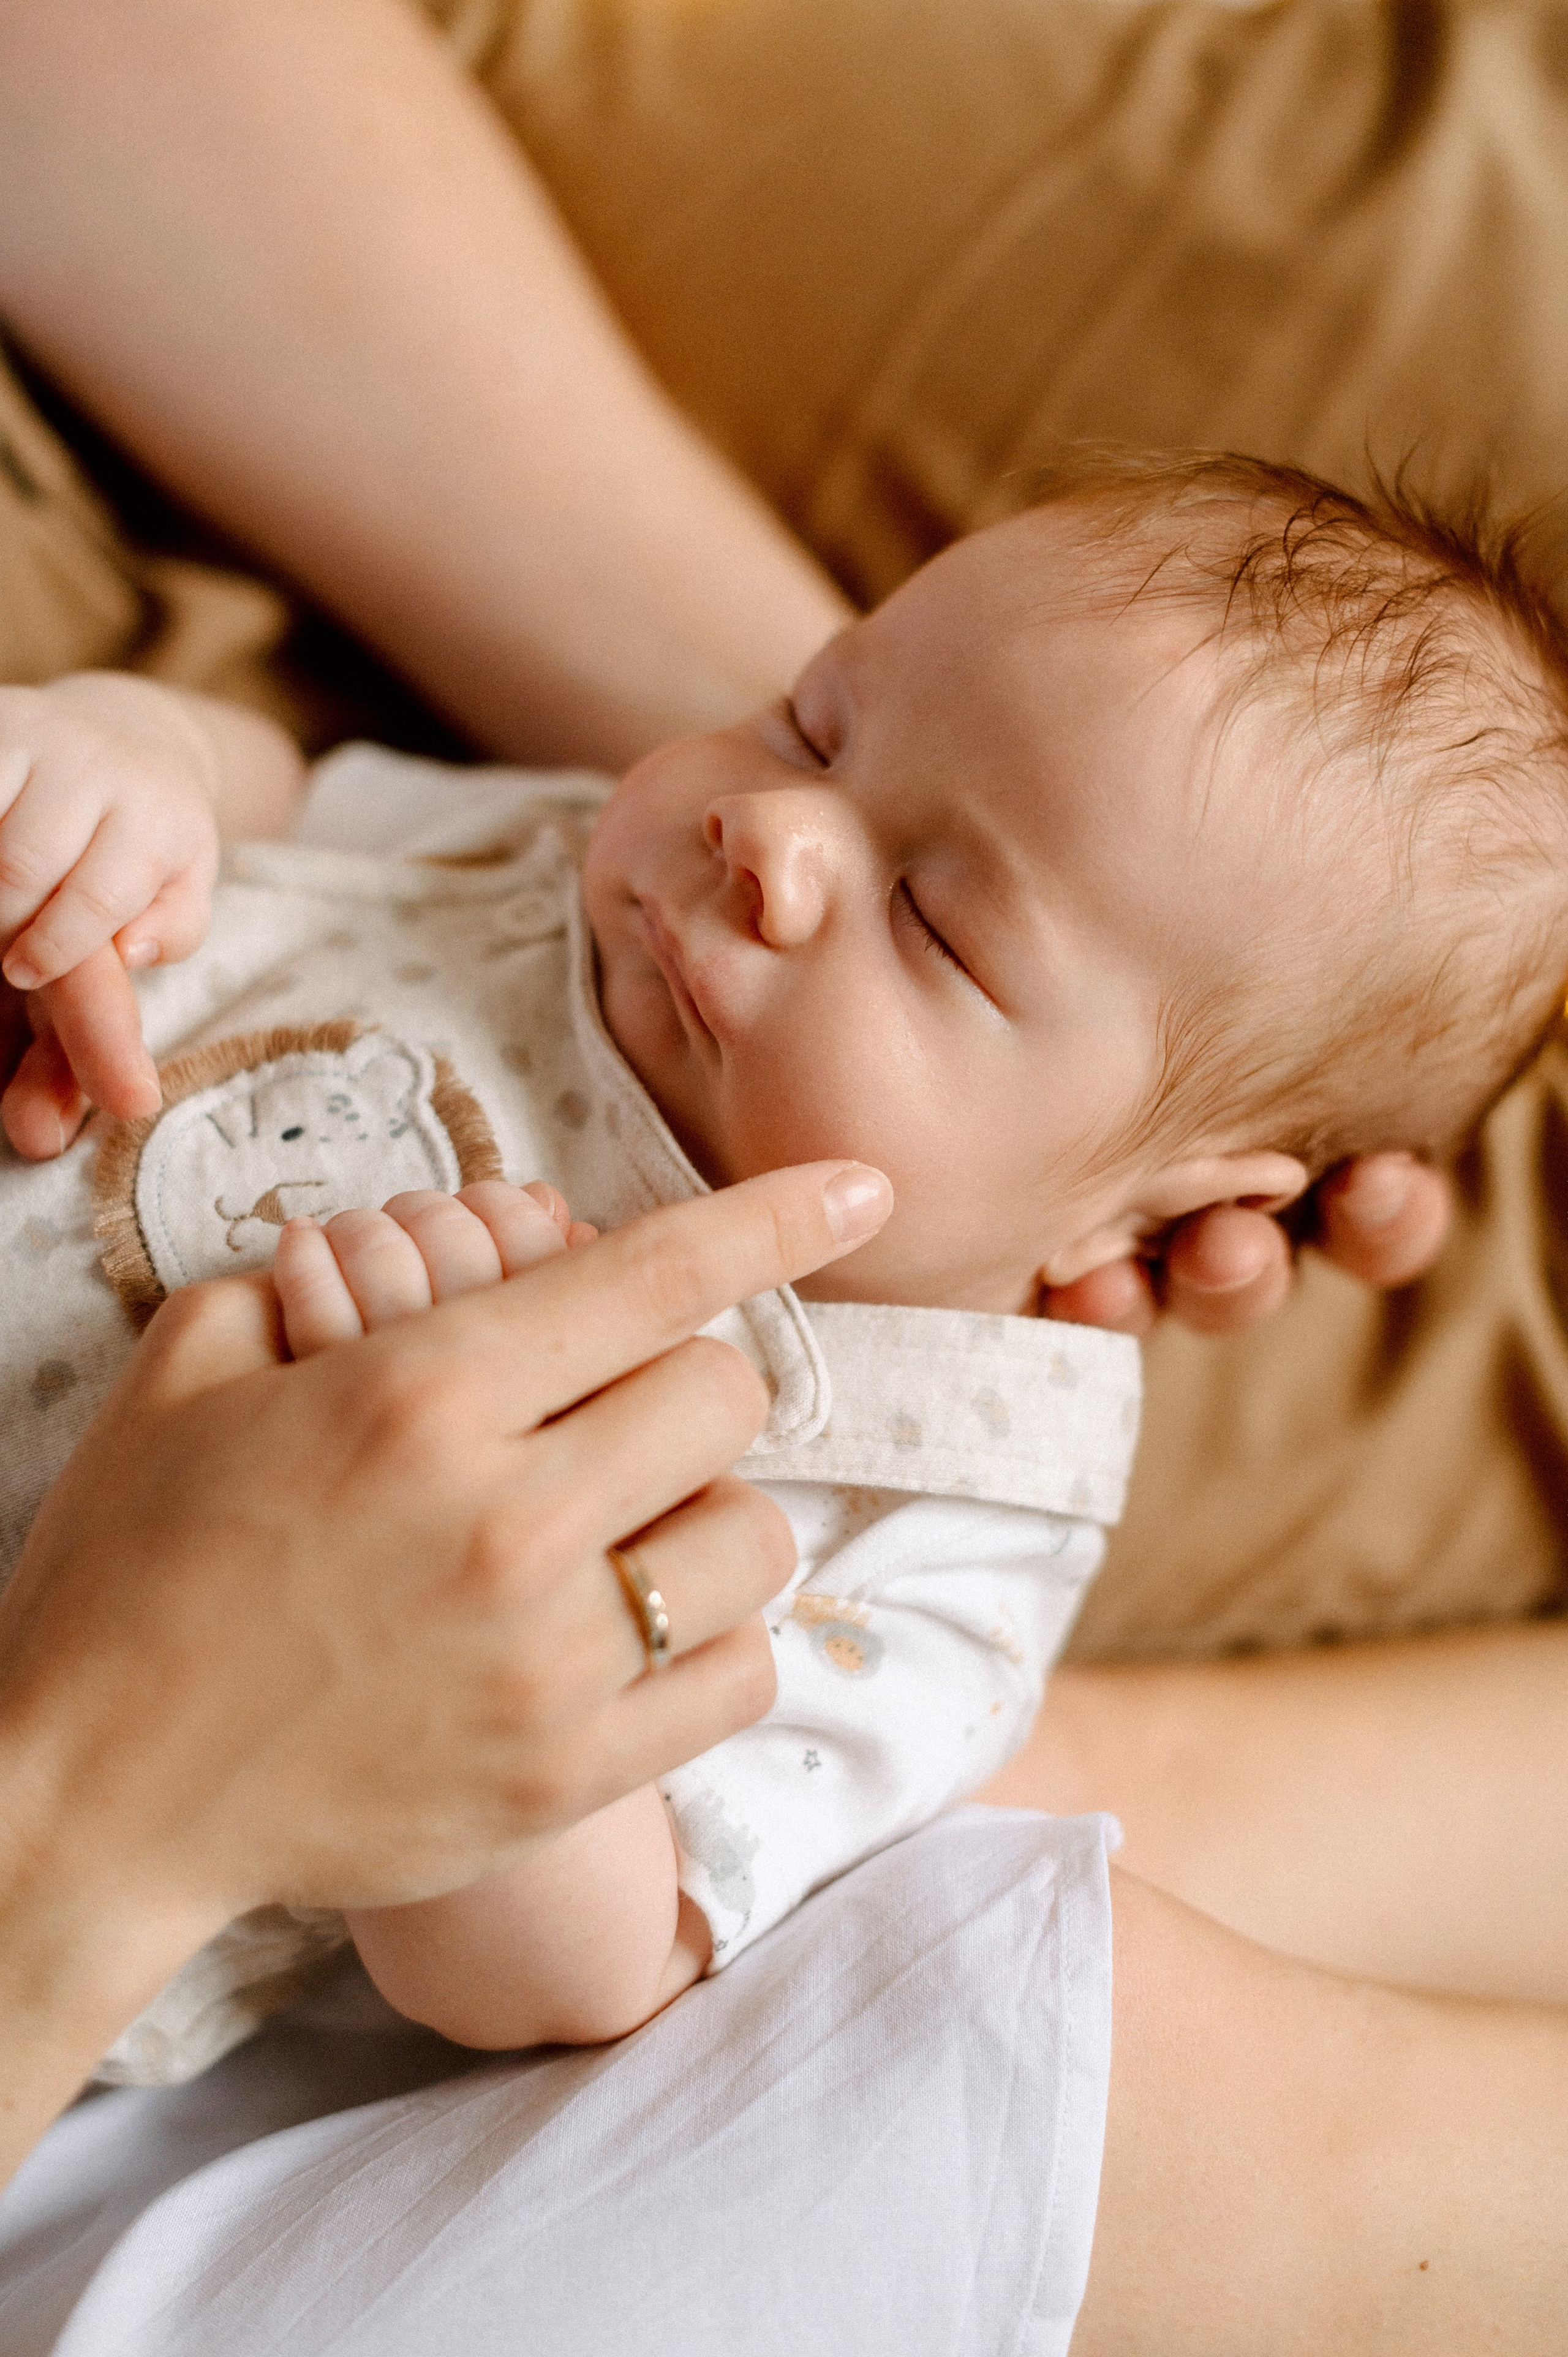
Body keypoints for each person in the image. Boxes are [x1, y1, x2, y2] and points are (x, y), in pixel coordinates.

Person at [2, 447, 1561, 2077]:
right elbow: (286, 796)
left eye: (938, 927)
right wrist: (137, 762)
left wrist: (498, 1581)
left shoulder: (951, 1510)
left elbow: (579, 1978)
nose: (774, 830)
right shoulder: (563, 870)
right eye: (814, 718)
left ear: (1149, 1210)